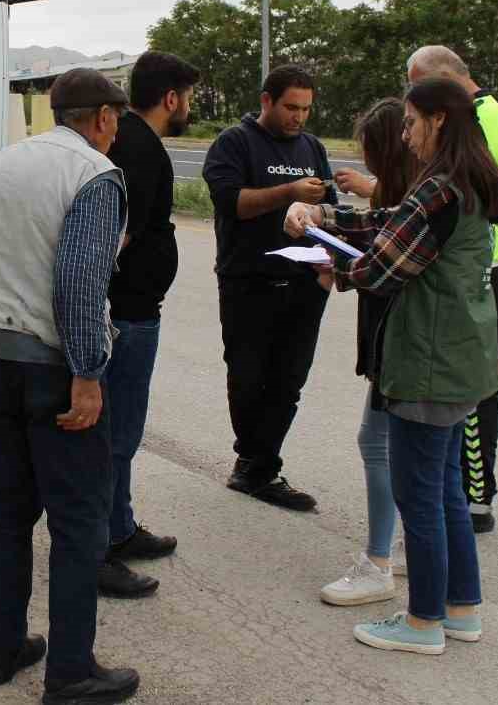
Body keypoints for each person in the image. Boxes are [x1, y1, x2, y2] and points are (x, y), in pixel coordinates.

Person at [286, 76, 498, 655]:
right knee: (446, 495)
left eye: (411, 121)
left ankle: (421, 623)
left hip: (428, 361)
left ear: (438, 119)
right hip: (461, 358)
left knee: (421, 498)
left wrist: (330, 262)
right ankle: (461, 610)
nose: (405, 134)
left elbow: (383, 266)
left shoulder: (439, 188)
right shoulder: (469, 181)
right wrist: (328, 221)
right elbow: (389, 229)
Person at [0, 67, 141, 704]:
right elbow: (81, 282)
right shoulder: (94, 175)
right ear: (104, 118)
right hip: (53, 367)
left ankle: (1, 650)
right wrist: (88, 374)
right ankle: (72, 672)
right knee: (80, 522)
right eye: (118, 119)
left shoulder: (2, 165)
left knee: (10, 509)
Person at [201, 64, 337, 511]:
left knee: (288, 382)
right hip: (248, 282)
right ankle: (252, 463)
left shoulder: (312, 147)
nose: (299, 117)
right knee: (248, 378)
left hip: (304, 283)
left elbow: (329, 210)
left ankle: (261, 468)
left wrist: (317, 216)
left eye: (306, 109)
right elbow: (231, 203)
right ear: (266, 101)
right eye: (291, 107)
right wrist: (289, 192)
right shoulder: (234, 143)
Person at [406, 46, 498, 534]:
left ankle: (475, 496)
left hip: (483, 268)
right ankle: (465, 491)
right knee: (475, 388)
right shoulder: (494, 115)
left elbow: (453, 196)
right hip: (487, 264)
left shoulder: (479, 124)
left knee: (473, 392)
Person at [98, 51, 202, 599]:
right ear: (171, 98)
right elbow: (120, 234)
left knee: (122, 434)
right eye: (188, 97)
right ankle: (100, 550)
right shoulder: (140, 147)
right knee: (116, 437)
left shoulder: (134, 139)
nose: (189, 106)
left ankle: (119, 527)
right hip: (127, 316)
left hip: (136, 311)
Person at [319, 98, 418, 607]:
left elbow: (383, 259)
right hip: (404, 341)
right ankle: (400, 551)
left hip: (401, 342)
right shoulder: (421, 193)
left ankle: (378, 561)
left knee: (378, 444)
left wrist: (332, 264)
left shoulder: (421, 201)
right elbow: (375, 228)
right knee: (396, 448)